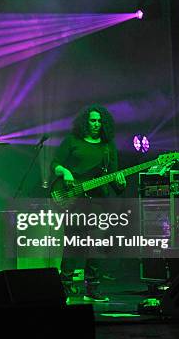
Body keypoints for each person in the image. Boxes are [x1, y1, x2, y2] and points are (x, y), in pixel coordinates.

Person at [50, 105, 126, 302]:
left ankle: (93, 288)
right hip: (73, 198)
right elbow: (55, 164)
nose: (96, 124)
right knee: (72, 243)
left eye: (100, 121)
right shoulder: (72, 141)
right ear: (85, 122)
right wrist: (66, 172)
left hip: (98, 202)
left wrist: (121, 182)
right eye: (93, 120)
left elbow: (114, 179)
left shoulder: (108, 147)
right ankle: (65, 286)